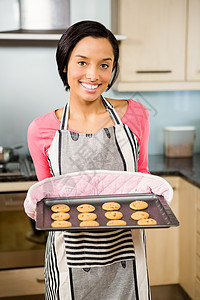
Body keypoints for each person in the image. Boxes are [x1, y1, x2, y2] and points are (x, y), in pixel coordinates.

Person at [27, 20, 151, 299]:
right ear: (64, 65)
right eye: (82, 62)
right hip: (70, 256)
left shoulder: (136, 114)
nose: (93, 75)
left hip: (127, 253)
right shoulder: (41, 130)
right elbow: (47, 201)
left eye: (104, 65)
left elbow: (142, 179)